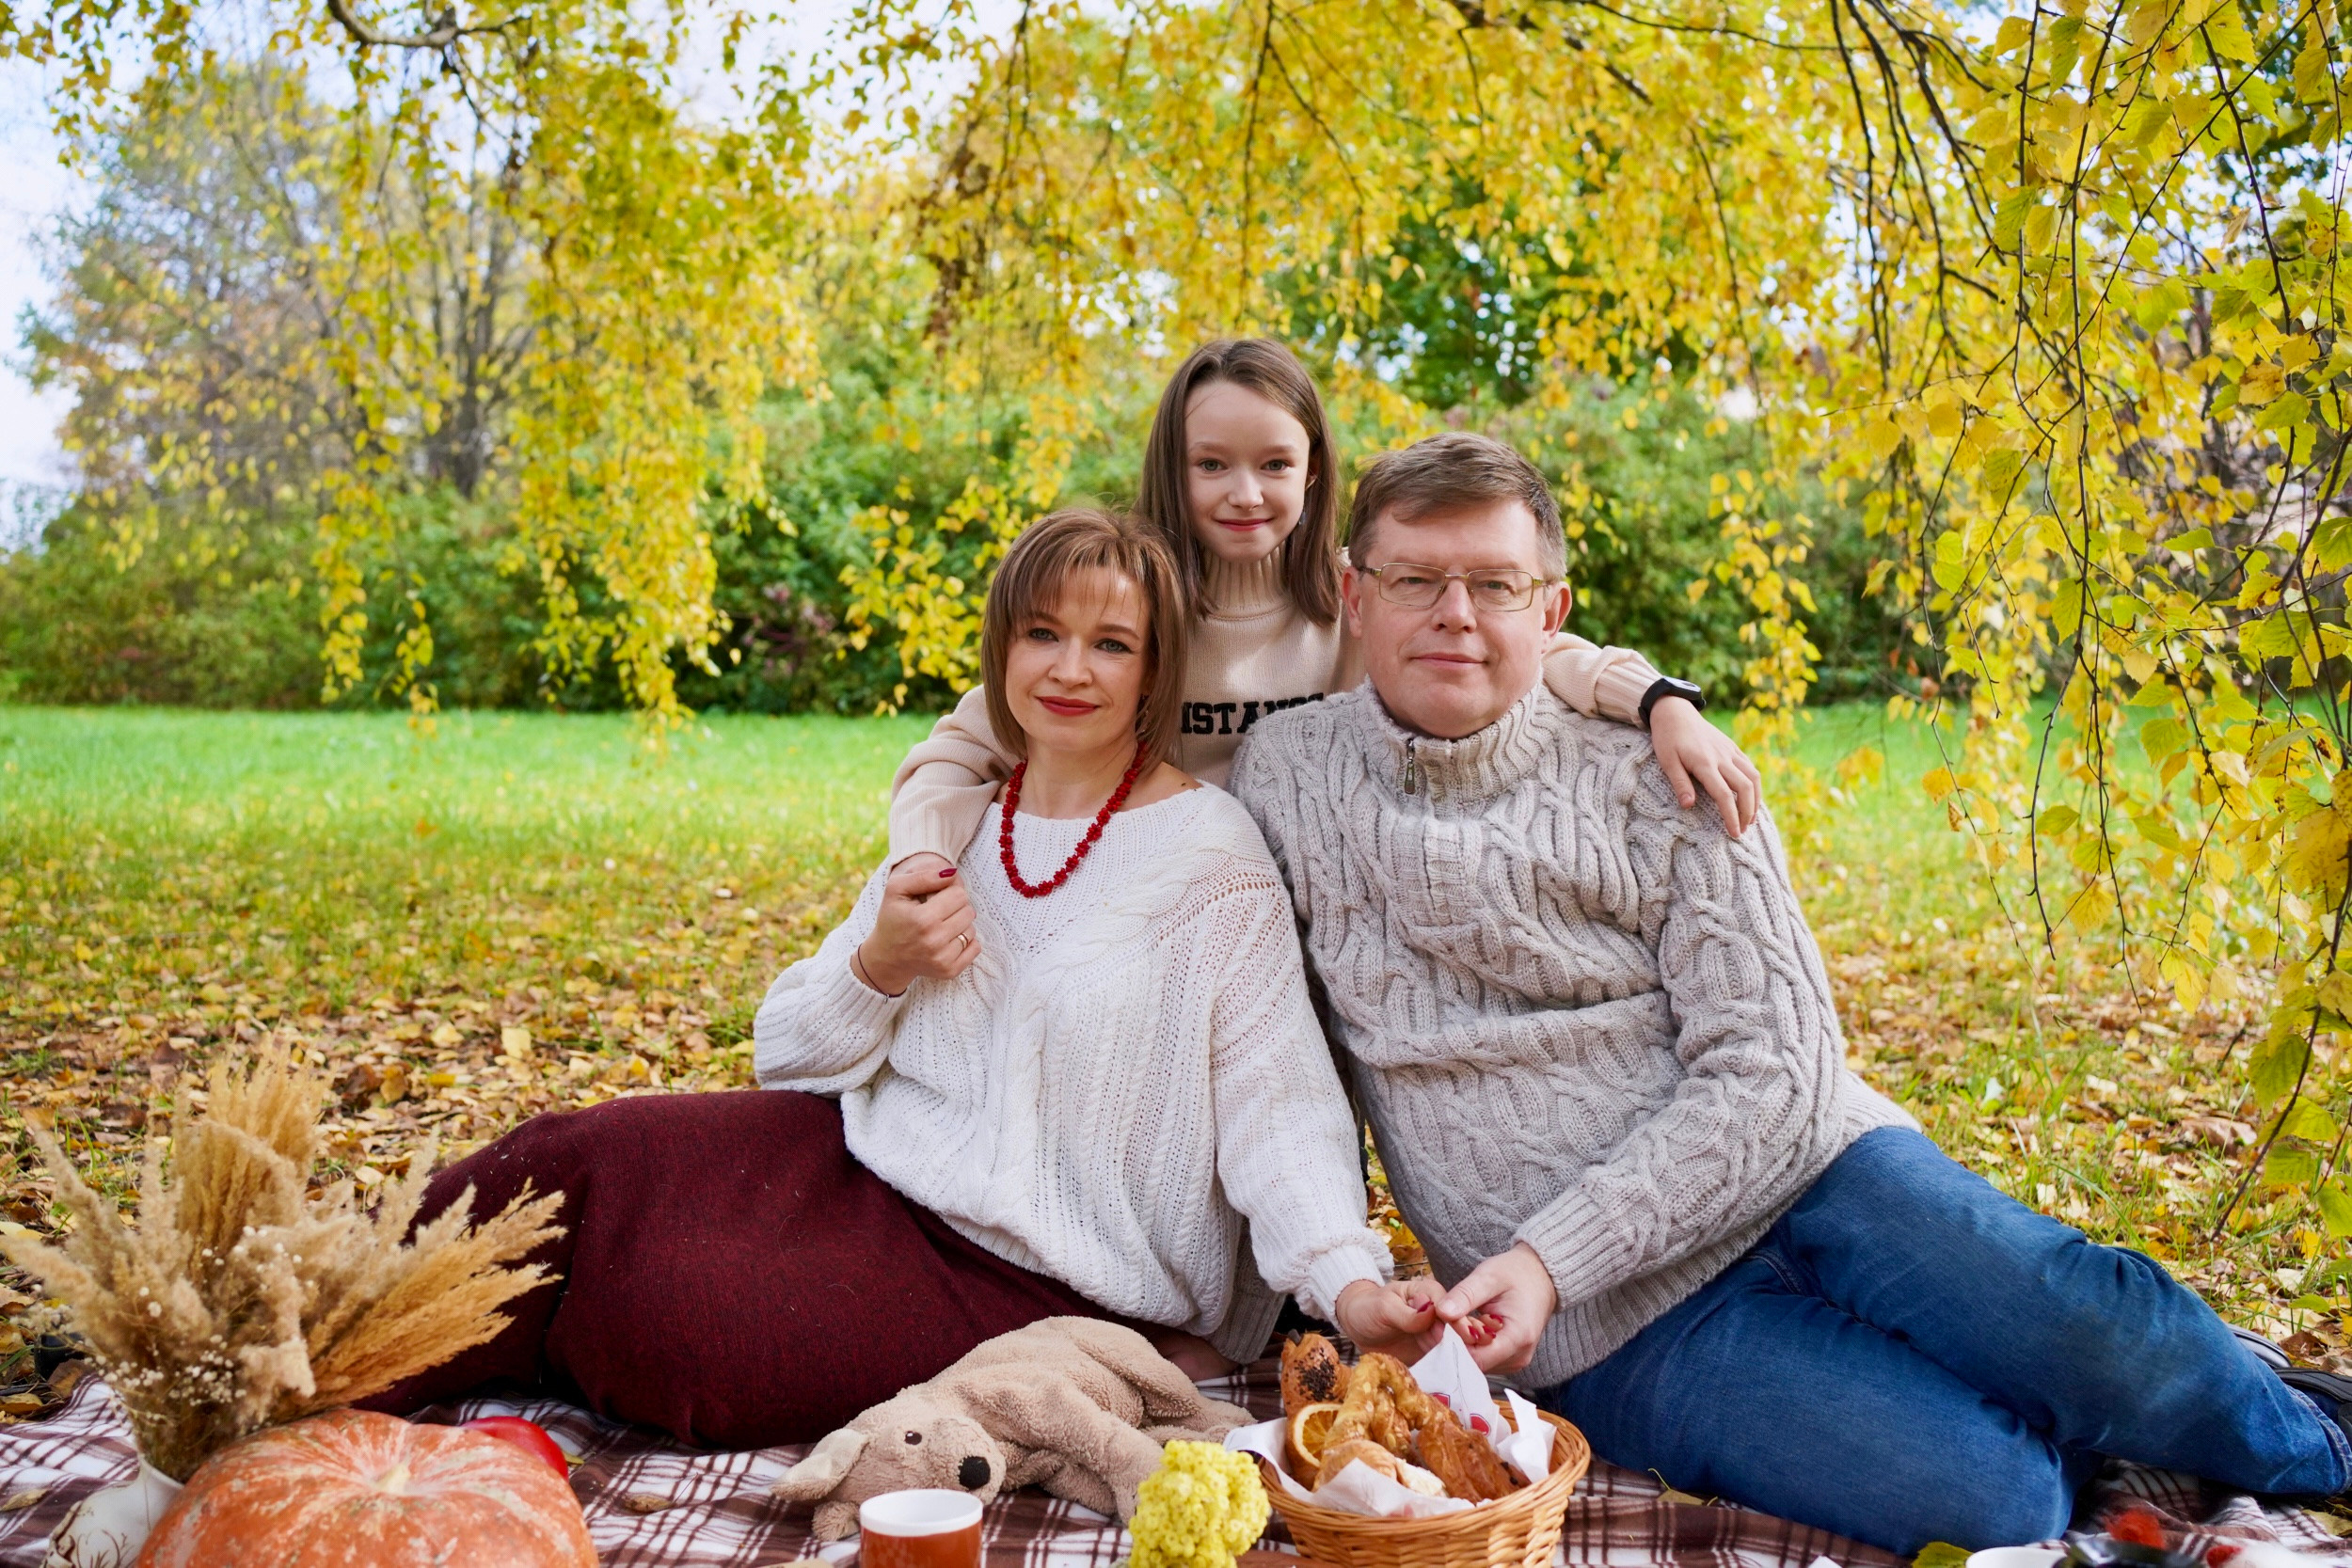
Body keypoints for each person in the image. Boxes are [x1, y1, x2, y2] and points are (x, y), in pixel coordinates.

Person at [1228, 431, 2352, 1554]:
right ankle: (2063, 1402)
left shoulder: (1657, 764)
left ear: (1552, 609)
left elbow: (1776, 1065)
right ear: (1354, 594)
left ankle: (2316, 1443)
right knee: (1994, 1497)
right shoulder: (1284, 776)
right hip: (1604, 1325)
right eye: (1415, 579)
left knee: (2117, 1340)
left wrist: (1556, 1249)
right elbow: (1276, 1071)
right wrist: (1390, 1277)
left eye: (1494, 584)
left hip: (1814, 1174)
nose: (1455, 614)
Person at [370, 509, 1427, 1449]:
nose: (1070, 668)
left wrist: (1348, 1284)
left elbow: (1279, 1109)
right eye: (1043, 633)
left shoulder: (1212, 859)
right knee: (578, 1159)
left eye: (1111, 643)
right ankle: (319, 1341)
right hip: (862, 1160)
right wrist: (880, 963)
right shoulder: (960, 821)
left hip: (1033, 1270)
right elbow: (785, 1052)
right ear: (1001, 649)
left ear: (1154, 671)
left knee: (686, 1331)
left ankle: (467, 1352)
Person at [882, 340, 1761, 975]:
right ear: (1173, 471)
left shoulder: (1354, 599)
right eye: (1211, 464)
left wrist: (1660, 701)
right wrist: (920, 860)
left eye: (1274, 464)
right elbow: (964, 746)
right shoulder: (1127, 612)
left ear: (1311, 474)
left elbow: (1530, 645)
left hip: (1320, 919)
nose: (1245, 492)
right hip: (1147, 915)